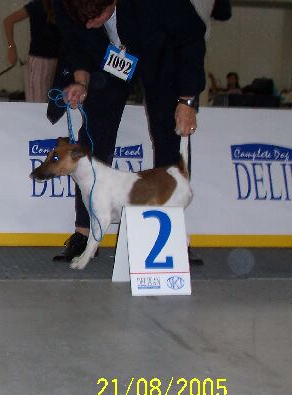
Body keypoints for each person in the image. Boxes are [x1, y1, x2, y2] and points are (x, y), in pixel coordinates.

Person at [48, 0, 206, 263]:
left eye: (96, 17)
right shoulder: (66, 4)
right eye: (84, 20)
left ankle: (172, 234)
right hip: (107, 59)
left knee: (170, 132)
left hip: (161, 55)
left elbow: (191, 38)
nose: (90, 25)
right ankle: (84, 233)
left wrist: (187, 100)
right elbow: (74, 39)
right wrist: (80, 81)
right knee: (93, 135)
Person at [3, 0, 60, 102]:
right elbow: (8, 21)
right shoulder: (38, 5)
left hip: (56, 62)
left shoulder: (62, 5)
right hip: (38, 62)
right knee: (37, 104)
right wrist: (12, 48)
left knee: (48, 104)